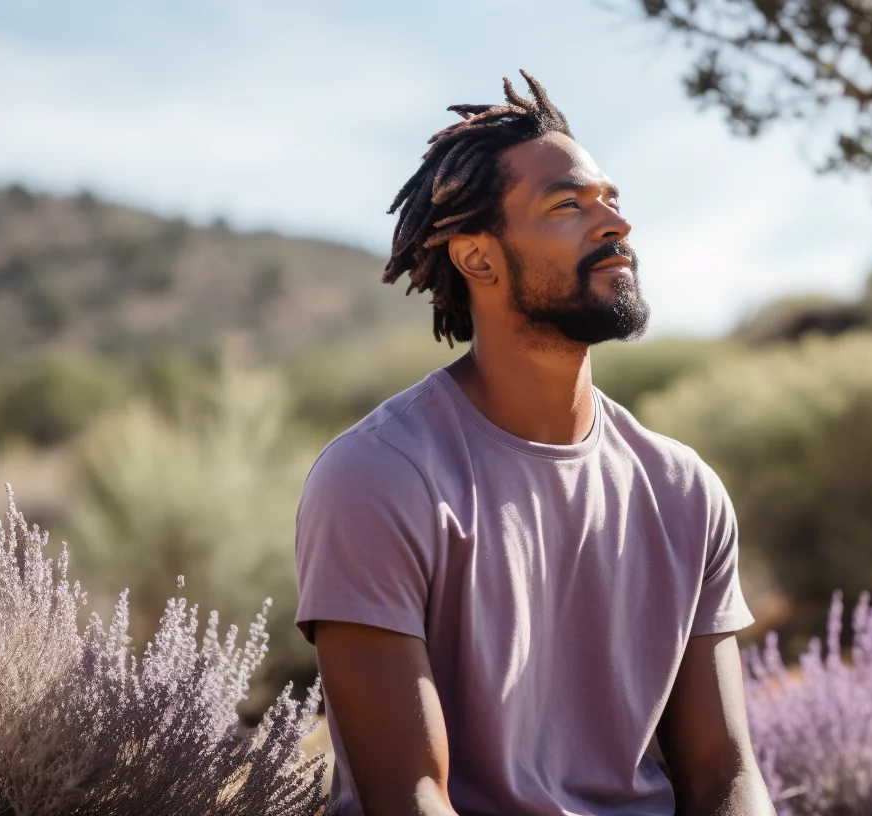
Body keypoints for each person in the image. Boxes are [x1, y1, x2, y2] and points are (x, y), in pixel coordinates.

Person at [294, 71, 774, 816]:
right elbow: (410, 794)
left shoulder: (682, 490)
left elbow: (725, 772)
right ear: (478, 258)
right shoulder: (381, 477)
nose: (614, 224)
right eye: (568, 206)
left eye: (611, 202)